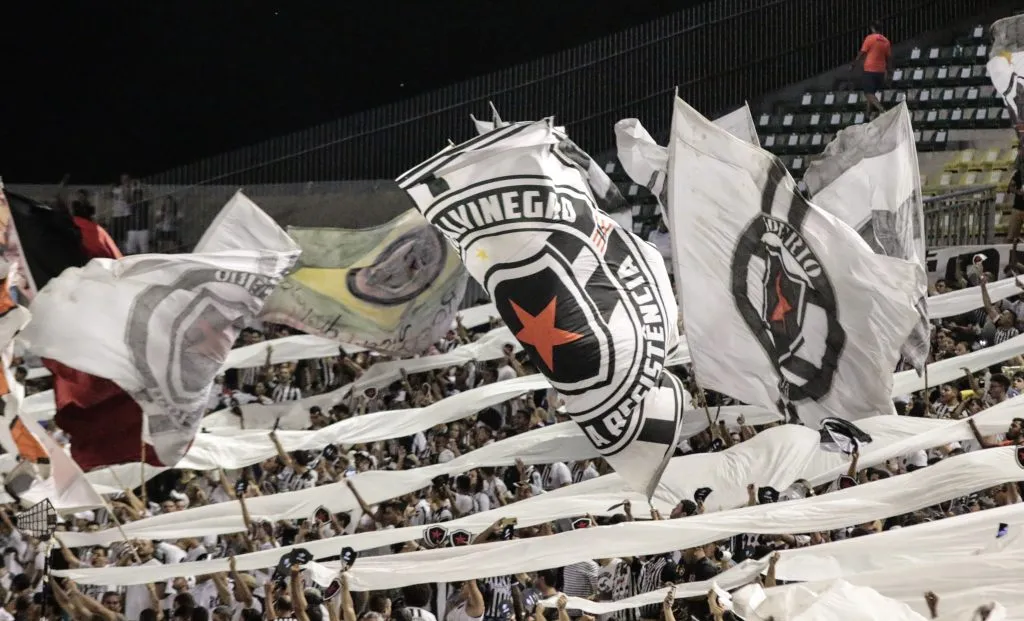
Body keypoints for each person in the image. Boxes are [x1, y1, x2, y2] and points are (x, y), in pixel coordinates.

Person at [851, 21, 891, 118]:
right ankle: (867, 116)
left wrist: (854, 64)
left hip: (870, 69)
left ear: (872, 28)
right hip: (881, 71)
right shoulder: (886, 41)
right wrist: (889, 72)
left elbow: (862, 52)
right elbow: (889, 58)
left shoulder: (870, 38)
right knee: (872, 93)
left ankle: (882, 110)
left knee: (868, 93)